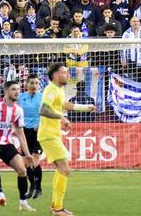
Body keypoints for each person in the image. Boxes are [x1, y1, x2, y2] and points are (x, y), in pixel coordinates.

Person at [39, 63, 95, 216]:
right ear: (56, 75)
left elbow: (64, 105)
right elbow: (43, 109)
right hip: (48, 134)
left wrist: (84, 107)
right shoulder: (51, 89)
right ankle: (57, 209)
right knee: (65, 169)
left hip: (53, 134)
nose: (68, 75)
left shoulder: (59, 90)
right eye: (64, 72)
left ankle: (55, 207)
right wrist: (61, 117)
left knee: (61, 169)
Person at [0, 80, 37, 212]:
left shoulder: (18, 110)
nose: (17, 92)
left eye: (18, 89)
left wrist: (27, 154)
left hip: (6, 144)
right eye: (13, 89)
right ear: (6, 91)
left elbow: (21, 134)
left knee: (22, 170)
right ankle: (0, 194)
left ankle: (23, 203)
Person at [18, 73, 44, 199]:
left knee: (34, 160)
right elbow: (15, 112)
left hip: (39, 132)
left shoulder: (43, 97)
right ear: (27, 84)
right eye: (32, 83)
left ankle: (38, 188)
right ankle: (32, 185)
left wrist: (41, 124)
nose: (34, 85)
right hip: (24, 133)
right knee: (27, 162)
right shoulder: (21, 97)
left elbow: (48, 113)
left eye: (36, 83)